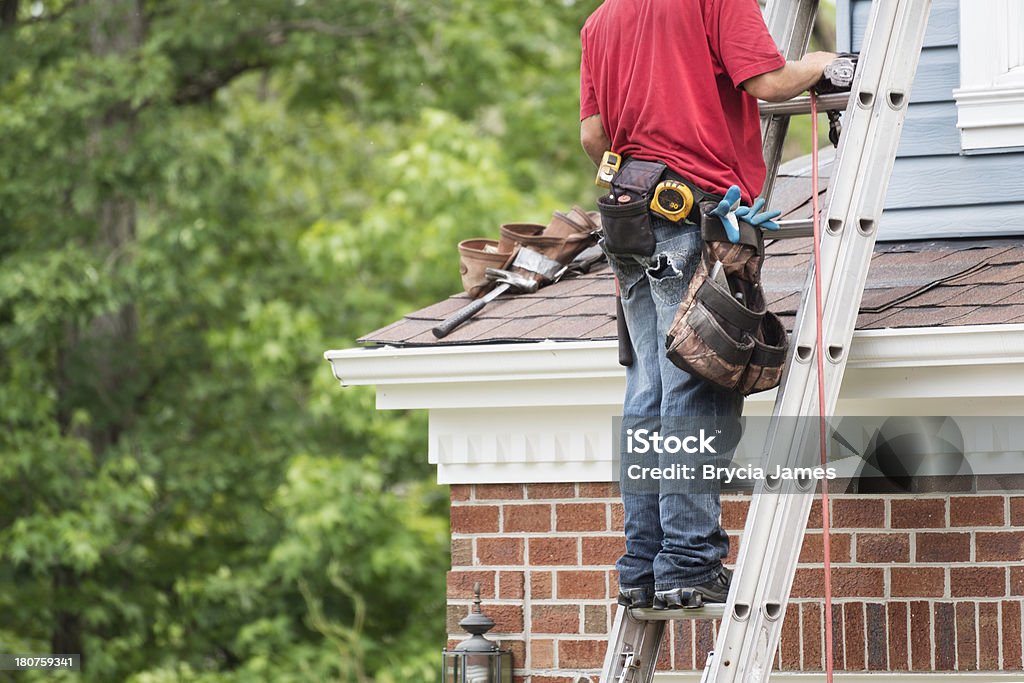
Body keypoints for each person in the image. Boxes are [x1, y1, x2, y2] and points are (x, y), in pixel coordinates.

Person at [579, 0, 836, 609]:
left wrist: (636, 170)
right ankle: (690, 561)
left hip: (629, 215)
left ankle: (642, 565)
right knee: (693, 380)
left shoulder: (601, 19)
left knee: (647, 391)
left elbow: (594, 136)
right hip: (689, 210)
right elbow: (768, 83)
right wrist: (822, 62)